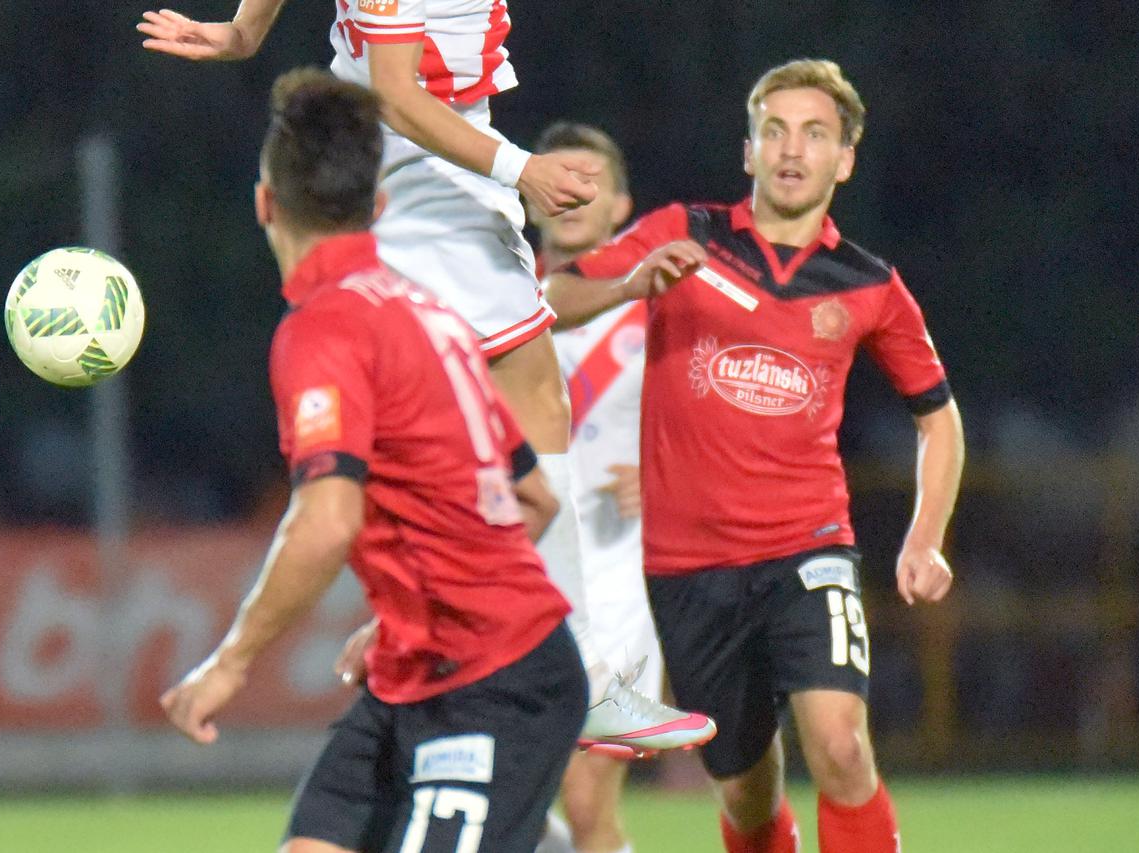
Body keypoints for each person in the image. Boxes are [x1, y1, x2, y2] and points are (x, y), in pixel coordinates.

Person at [137, 0, 715, 754]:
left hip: (441, 151)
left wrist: (246, 30)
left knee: (492, 412)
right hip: (421, 162)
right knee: (518, 398)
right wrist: (523, 168)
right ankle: (567, 674)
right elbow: (396, 91)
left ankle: (453, 639)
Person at [161, 68, 590, 852]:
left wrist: (230, 662)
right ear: (380, 206)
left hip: (495, 684)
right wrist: (408, 614)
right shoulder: (430, 314)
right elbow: (534, 495)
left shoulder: (323, 329)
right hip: (417, 670)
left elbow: (327, 521)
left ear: (265, 204)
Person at [544, 59, 966, 853]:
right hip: (689, 569)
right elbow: (555, 295)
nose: (791, 148)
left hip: (809, 547)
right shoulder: (686, 233)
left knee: (841, 744)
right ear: (749, 150)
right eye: (774, 130)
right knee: (745, 792)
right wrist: (628, 285)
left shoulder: (869, 285)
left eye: (814, 133)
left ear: (844, 158)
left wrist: (925, 536)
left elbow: (938, 418)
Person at [526, 123, 654, 853]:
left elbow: (716, 427)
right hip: (519, 568)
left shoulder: (656, 305)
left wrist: (666, 478)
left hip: (620, 578)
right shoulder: (498, 300)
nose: (573, 195)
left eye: (590, 182)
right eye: (561, 178)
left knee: (585, 798)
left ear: (622, 207)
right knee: (502, 782)